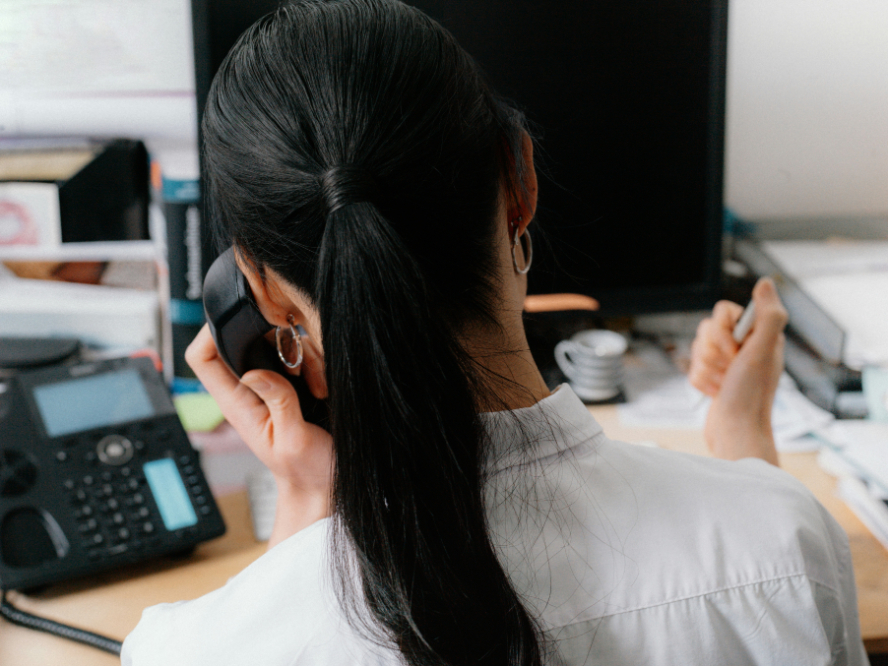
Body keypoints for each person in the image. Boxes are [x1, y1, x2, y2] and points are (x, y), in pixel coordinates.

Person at [121, 1, 869, 664]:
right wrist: (744, 438)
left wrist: (305, 501)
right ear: (521, 183)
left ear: (256, 292)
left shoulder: (191, 649)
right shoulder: (786, 545)